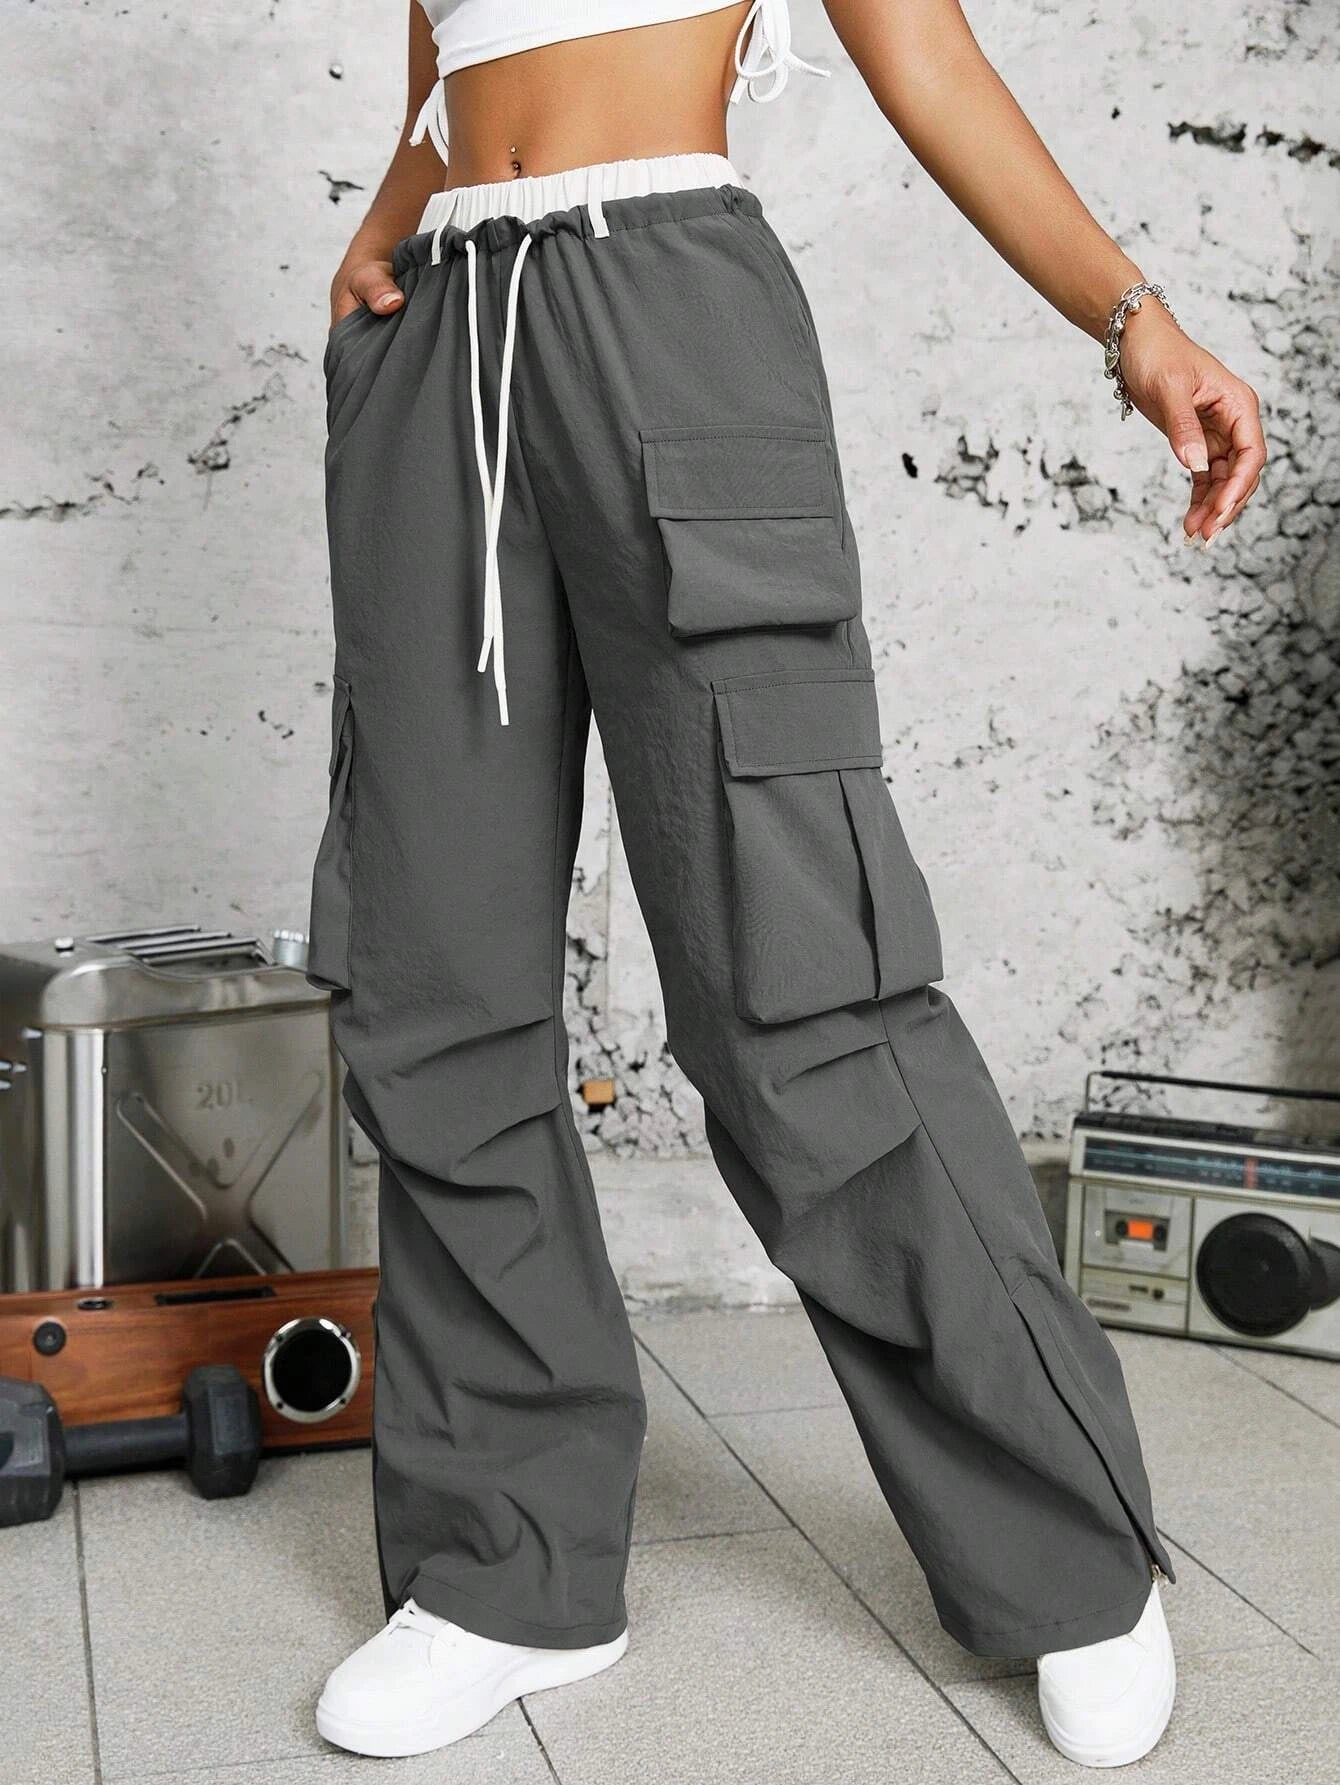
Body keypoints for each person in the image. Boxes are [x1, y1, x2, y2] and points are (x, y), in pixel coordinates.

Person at [306, 0, 1264, 1766]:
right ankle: (506, 1564)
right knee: (434, 979)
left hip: (670, 307)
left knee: (801, 978)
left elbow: (927, 57)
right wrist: (389, 222)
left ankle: (1068, 1551)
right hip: (442, 337)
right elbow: (447, 66)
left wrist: (1134, 319)